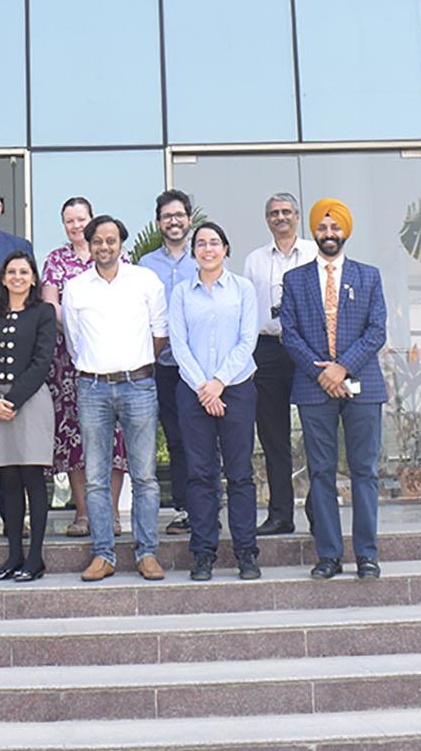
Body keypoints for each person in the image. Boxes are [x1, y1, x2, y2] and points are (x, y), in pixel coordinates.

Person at [279, 199, 388, 580]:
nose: (329, 234)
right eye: (322, 228)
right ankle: (328, 555)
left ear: (346, 231)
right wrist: (323, 373)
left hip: (363, 386)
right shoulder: (295, 280)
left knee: (365, 472)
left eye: (335, 227)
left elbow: (376, 331)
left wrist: (342, 368)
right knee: (321, 473)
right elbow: (289, 335)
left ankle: (367, 555)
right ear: (314, 232)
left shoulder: (369, 276)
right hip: (314, 388)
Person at [60, 214, 168, 582]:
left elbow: (159, 334)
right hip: (92, 388)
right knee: (95, 478)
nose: (104, 247)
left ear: (121, 244)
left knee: (145, 476)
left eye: (111, 240)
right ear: (88, 246)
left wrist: (133, 365)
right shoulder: (75, 287)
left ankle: (147, 552)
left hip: (138, 384)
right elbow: (74, 342)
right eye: (97, 241)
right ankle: (103, 553)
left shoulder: (145, 281)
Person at [168, 221, 262, 581]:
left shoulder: (243, 289)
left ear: (226, 249)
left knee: (240, 473)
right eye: (201, 244)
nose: (208, 249)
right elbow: (179, 345)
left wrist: (219, 382)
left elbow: (246, 341)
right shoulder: (181, 293)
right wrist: (204, 387)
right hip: (193, 391)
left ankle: (246, 552)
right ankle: (203, 552)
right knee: (200, 474)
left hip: (236, 387)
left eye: (214, 243)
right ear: (194, 252)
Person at [39, 197, 127, 538]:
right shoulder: (55, 260)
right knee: (76, 437)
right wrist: (79, 332)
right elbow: (51, 304)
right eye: (69, 221)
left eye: (81, 219)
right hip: (68, 361)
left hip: (113, 359)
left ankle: (114, 514)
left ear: (92, 220)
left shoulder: (117, 255)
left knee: (114, 437)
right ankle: (84, 514)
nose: (76, 226)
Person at [0, 250, 57, 581]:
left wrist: (15, 399)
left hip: (31, 401)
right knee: (5, 479)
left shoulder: (44, 312)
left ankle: (35, 557)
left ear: (33, 278)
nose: (18, 277)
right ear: (3, 278)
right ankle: (13, 555)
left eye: (24, 272)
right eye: (11, 272)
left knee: (32, 478)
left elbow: (42, 360)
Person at [241, 191, 316, 536]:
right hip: (268, 349)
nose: (281, 217)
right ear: (267, 219)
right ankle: (281, 514)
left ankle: (319, 509)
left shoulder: (315, 252)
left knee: (317, 431)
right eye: (274, 213)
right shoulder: (255, 260)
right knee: (273, 436)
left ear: (297, 217)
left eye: (287, 212)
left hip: (310, 349)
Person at [140, 188, 199, 534]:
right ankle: (184, 509)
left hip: (202, 369)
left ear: (188, 219)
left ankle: (206, 505)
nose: (173, 221)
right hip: (164, 366)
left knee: (204, 437)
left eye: (179, 215)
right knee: (176, 438)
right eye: (167, 216)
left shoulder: (205, 256)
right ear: (159, 222)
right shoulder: (146, 266)